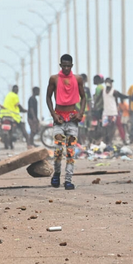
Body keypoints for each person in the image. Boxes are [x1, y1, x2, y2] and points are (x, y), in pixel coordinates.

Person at [46, 54, 86, 190]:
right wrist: (53, 114)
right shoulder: (54, 79)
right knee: (58, 150)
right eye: (64, 66)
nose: (67, 68)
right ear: (60, 65)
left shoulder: (78, 79)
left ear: (72, 66)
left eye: (69, 66)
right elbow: (48, 97)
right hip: (59, 118)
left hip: (72, 119)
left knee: (70, 152)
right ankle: (56, 174)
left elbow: (83, 97)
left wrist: (81, 113)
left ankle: (68, 180)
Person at [102, 77, 127, 145]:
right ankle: (107, 141)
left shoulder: (114, 91)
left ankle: (112, 140)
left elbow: (121, 96)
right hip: (106, 112)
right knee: (106, 127)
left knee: (114, 126)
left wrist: (129, 97)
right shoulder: (103, 91)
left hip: (113, 112)